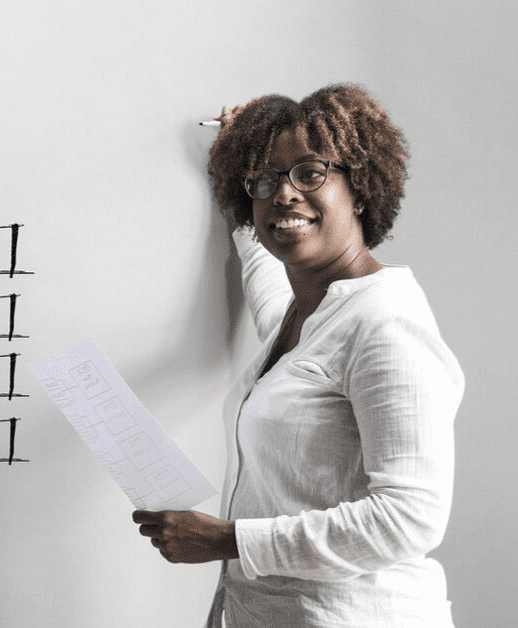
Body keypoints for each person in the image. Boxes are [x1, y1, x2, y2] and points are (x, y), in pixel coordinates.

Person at [132, 84, 464, 626]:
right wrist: (235, 157)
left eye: (310, 173)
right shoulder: (303, 317)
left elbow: (410, 519)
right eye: (264, 181)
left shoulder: (386, 324)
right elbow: (266, 272)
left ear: (358, 188)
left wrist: (228, 539)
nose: (283, 195)